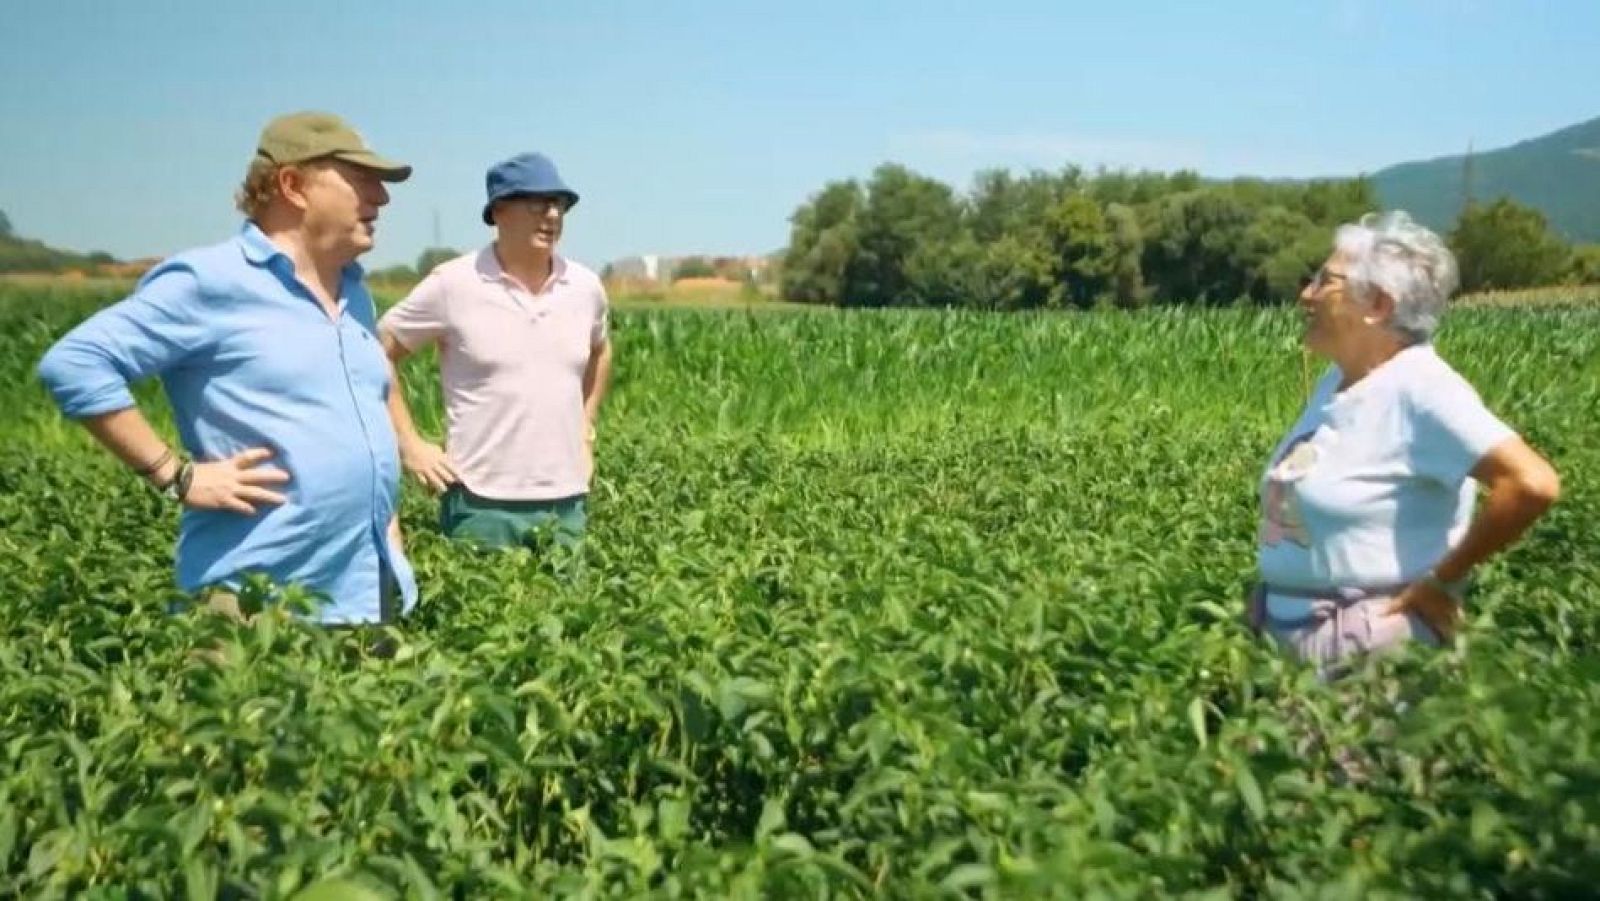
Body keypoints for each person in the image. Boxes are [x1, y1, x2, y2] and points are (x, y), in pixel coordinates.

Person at [36, 111, 419, 626]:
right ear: (293, 185)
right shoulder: (212, 281)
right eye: (360, 180)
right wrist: (175, 476)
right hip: (259, 602)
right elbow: (76, 363)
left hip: (364, 592)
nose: (381, 198)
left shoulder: (353, 292)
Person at [1248, 211, 1560, 677]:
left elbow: (1532, 483)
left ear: (1377, 303)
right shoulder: (1339, 380)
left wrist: (1442, 582)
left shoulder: (1422, 388)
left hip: (1363, 645)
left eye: (1324, 282)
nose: (1306, 294)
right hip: (1291, 638)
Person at [378, 151, 612, 553]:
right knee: (480, 613)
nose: (553, 216)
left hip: (567, 502)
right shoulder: (453, 284)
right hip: (480, 504)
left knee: (570, 616)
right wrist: (411, 445)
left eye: (559, 205)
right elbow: (376, 353)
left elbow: (600, 351)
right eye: (538, 204)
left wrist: (585, 431)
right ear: (499, 211)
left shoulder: (585, 287)